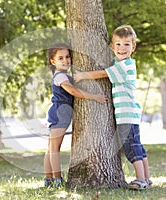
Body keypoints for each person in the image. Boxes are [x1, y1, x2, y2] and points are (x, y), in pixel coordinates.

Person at [74, 25, 152, 190]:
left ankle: (141, 179)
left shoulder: (125, 65)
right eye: (118, 44)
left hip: (127, 114)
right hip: (129, 113)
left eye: (126, 45)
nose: (122, 48)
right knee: (137, 145)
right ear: (112, 46)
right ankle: (147, 178)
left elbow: (103, 73)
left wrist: (83, 75)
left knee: (131, 147)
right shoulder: (119, 62)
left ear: (133, 47)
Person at [44, 43, 107, 188]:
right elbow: (73, 91)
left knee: (51, 147)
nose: (65, 60)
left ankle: (49, 180)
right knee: (54, 148)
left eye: (67, 57)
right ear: (53, 62)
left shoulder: (64, 75)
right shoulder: (60, 77)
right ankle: (57, 179)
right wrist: (94, 96)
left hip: (59, 113)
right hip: (60, 113)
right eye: (61, 58)